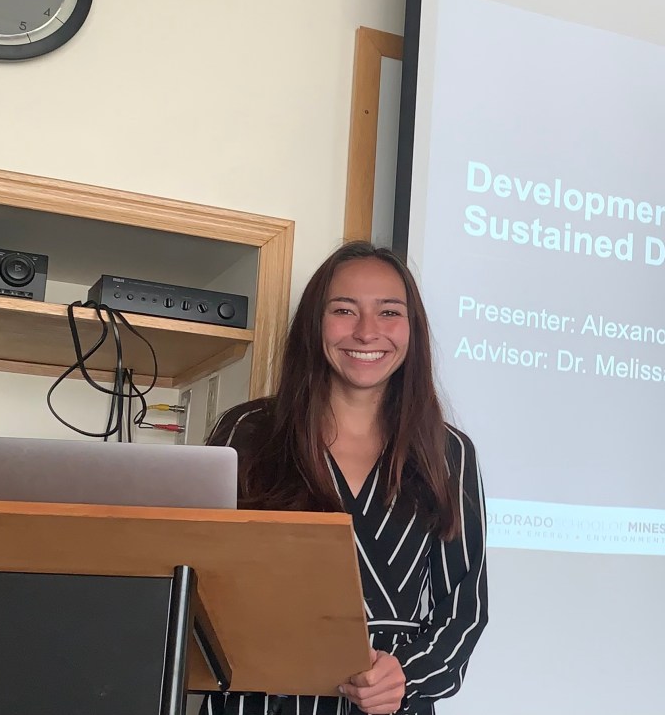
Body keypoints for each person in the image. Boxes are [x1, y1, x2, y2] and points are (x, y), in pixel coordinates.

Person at [200, 241, 488, 715]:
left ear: (413, 329)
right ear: (314, 324)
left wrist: (408, 674)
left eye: (389, 312)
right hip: (261, 697)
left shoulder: (448, 451)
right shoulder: (249, 431)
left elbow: (464, 604)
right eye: (344, 310)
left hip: (389, 702)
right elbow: (201, 576)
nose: (367, 332)